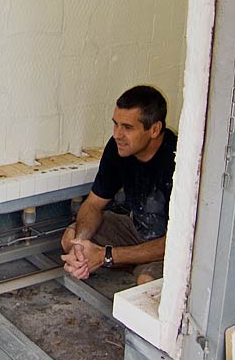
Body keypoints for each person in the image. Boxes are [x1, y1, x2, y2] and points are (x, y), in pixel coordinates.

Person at [61, 85, 177, 285]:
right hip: (136, 230)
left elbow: (179, 242)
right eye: (116, 124)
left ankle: (128, 261)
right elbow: (93, 204)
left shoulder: (179, 161)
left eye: (128, 127)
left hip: (169, 247)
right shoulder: (118, 147)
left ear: (155, 129)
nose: (117, 134)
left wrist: (107, 255)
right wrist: (80, 247)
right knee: (69, 239)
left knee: (146, 283)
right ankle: (127, 259)